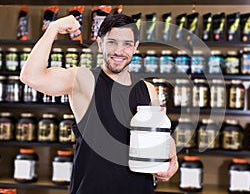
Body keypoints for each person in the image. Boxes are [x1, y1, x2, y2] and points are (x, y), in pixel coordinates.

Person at [20, 13, 178, 193]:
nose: (119, 51)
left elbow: (161, 133)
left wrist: (172, 157)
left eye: (127, 44)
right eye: (112, 42)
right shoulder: (83, 80)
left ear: (135, 47)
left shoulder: (147, 89)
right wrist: (53, 28)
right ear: (100, 43)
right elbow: (30, 76)